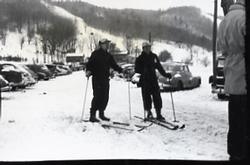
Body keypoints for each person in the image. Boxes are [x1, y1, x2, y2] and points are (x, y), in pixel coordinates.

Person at [217, 0, 248, 160]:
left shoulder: (224, 22)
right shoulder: (244, 18)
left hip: (231, 77)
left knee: (234, 121)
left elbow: (221, 48)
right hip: (244, 76)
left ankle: (233, 153)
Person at [85, 38, 123, 122]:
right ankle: (92, 115)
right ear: (101, 45)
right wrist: (88, 71)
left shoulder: (108, 55)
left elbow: (114, 65)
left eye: (108, 44)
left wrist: (121, 70)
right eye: (105, 44)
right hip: (97, 79)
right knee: (97, 96)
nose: (107, 45)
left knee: (105, 97)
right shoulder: (95, 54)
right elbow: (89, 64)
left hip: (105, 79)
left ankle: (101, 114)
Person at [132, 42, 172, 121]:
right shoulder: (139, 58)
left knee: (157, 97)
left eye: (149, 47)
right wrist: (135, 79)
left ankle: (159, 114)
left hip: (153, 80)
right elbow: (137, 71)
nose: (148, 49)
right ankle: (149, 112)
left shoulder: (154, 57)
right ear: (143, 48)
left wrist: (166, 75)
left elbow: (159, 67)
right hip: (144, 81)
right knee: (146, 98)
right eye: (146, 47)